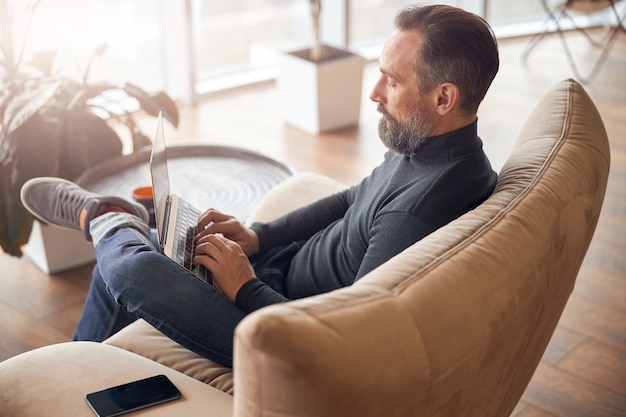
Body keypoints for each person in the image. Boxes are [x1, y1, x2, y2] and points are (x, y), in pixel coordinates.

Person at [20, 4, 499, 368]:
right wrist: (259, 237)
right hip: (275, 273)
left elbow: (344, 338)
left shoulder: (422, 209)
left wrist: (244, 287)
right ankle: (83, 353)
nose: (374, 93)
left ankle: (105, 217)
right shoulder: (429, 147)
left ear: (443, 97)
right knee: (145, 255)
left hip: (276, 329)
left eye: (391, 82)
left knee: (128, 273)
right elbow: (354, 198)